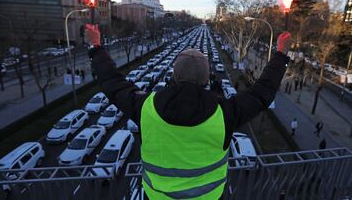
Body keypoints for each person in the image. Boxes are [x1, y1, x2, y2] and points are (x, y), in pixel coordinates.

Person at [85, 24, 291, 199]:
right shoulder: (225, 114)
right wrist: (281, 55)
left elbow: (113, 84)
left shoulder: (146, 108)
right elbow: (262, 92)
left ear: (174, 76)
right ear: (207, 79)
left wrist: (96, 47)